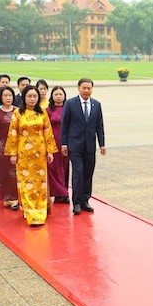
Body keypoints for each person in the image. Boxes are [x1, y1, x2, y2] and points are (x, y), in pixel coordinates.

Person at [5, 86, 58, 226]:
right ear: (24, 97)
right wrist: (13, 153)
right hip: (23, 154)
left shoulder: (42, 114)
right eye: (29, 96)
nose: (32, 99)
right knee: (25, 183)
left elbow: (48, 132)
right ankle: (29, 211)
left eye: (35, 96)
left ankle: (40, 211)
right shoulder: (17, 114)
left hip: (40, 154)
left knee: (40, 183)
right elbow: (13, 134)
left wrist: (50, 151)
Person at [61, 78, 106, 215]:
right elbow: (65, 125)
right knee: (78, 173)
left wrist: (102, 144)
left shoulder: (96, 105)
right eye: (84, 88)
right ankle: (77, 202)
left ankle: (85, 200)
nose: (86, 90)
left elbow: (99, 125)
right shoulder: (70, 104)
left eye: (89, 88)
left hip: (90, 146)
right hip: (75, 145)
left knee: (88, 173)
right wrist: (64, 144)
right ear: (79, 88)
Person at [0, 86, 19, 210]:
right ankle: (7, 198)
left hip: (18, 147)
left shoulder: (18, 111)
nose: (8, 98)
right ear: (0, 97)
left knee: (17, 173)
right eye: (5, 95)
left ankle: (16, 198)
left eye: (10, 95)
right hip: (2, 148)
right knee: (4, 174)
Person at [46, 86, 70, 203]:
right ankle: (57, 192)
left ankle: (64, 192)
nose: (59, 97)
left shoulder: (68, 108)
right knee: (53, 168)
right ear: (52, 96)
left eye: (61, 94)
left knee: (64, 167)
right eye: (56, 94)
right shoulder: (48, 110)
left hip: (66, 142)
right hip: (52, 141)